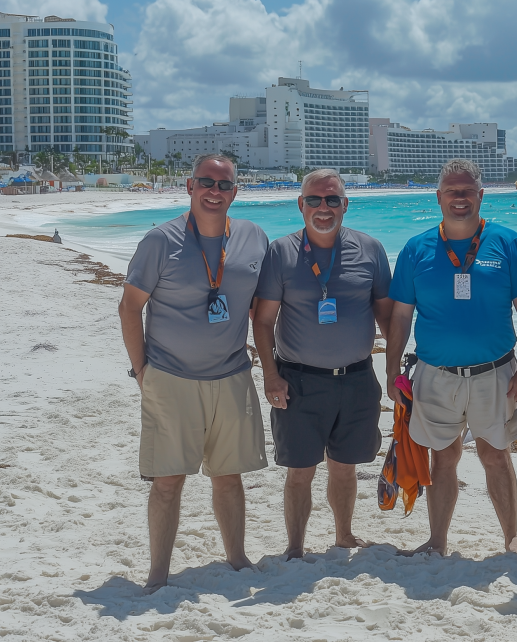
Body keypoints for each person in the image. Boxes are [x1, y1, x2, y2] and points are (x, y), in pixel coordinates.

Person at [118, 154, 269, 594]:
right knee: (168, 481)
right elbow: (130, 307)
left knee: (229, 476)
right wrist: (142, 369)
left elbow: (263, 306)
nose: (214, 192)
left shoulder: (253, 237)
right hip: (171, 376)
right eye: (206, 182)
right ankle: (158, 573)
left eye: (224, 186)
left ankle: (237, 558)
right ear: (189, 185)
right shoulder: (160, 241)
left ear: (235, 193)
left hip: (233, 375)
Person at [386, 158, 517, 556]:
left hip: (496, 372)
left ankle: (511, 537)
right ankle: (437, 541)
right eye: (452, 191)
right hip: (435, 374)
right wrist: (391, 369)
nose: (460, 198)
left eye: (467, 190)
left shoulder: (506, 242)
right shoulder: (416, 248)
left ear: (481, 196)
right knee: (443, 457)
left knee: (496, 454)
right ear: (438, 197)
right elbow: (400, 315)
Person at [252, 169, 394, 560]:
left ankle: (343, 535)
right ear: (301, 205)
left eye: (332, 200)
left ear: (345, 205)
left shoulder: (370, 249)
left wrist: (397, 369)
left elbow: (388, 316)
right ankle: (295, 547)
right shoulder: (281, 252)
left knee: (345, 467)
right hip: (298, 381)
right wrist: (271, 376)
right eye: (314, 200)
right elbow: (262, 320)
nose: (323, 207)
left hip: (357, 379)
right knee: (300, 471)